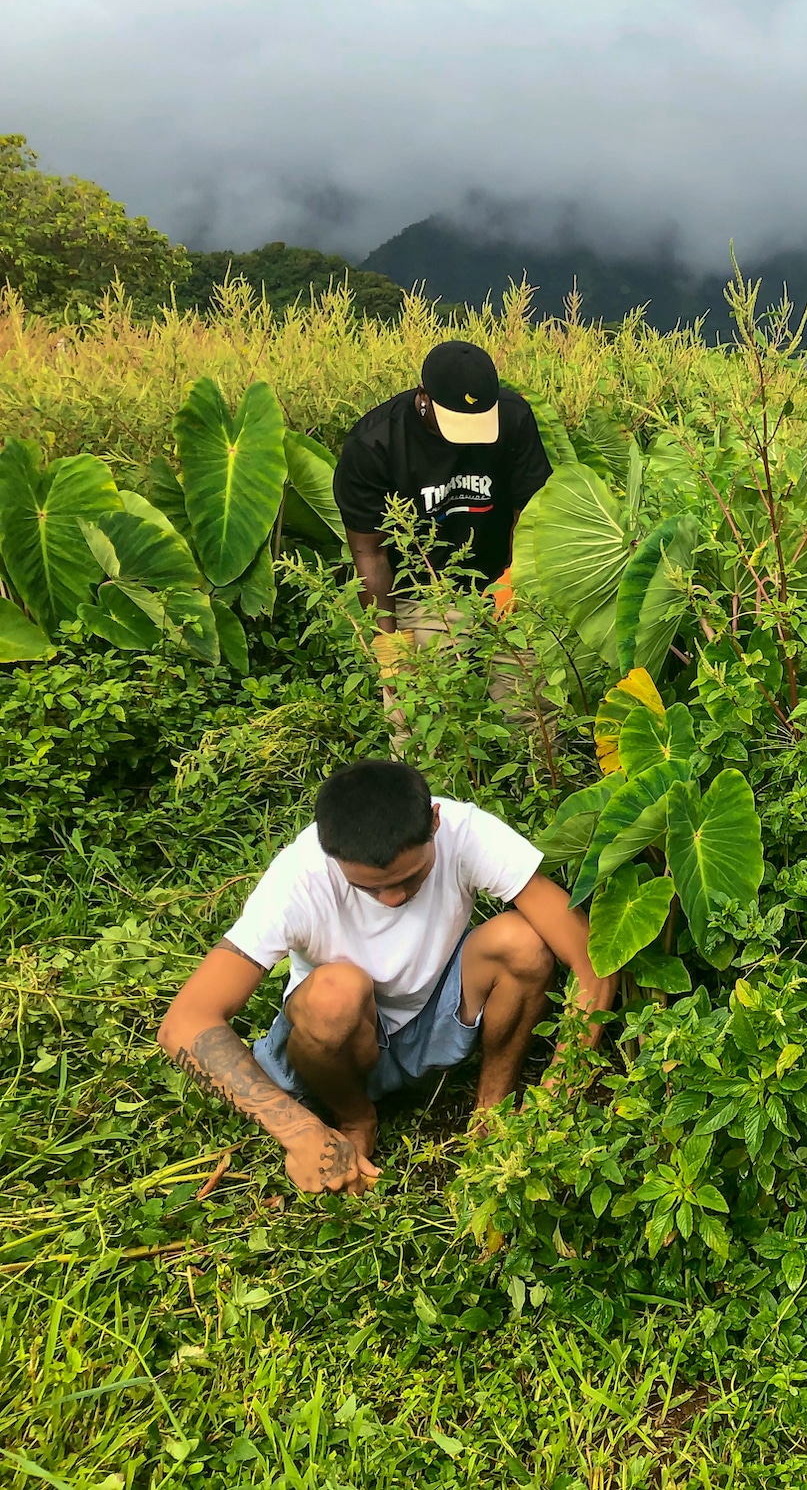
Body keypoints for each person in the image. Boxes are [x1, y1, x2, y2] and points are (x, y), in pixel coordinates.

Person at [157, 759, 613, 1194]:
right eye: (370, 888)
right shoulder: (297, 880)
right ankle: (355, 1117)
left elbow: (592, 957)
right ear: (330, 854)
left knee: (524, 943)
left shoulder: (466, 832)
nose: (393, 899)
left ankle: (491, 1113)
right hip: (339, 1046)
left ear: (434, 822)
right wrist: (298, 1130)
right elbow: (185, 1022)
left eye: (410, 878)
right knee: (336, 992)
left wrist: (557, 1093)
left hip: (435, 1015)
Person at [334, 340, 553, 697]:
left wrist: (516, 577)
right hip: (422, 590)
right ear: (424, 396)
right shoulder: (374, 444)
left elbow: (528, 511)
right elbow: (369, 553)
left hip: (502, 577)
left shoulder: (513, 417)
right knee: (420, 712)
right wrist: (388, 642)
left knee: (532, 707)